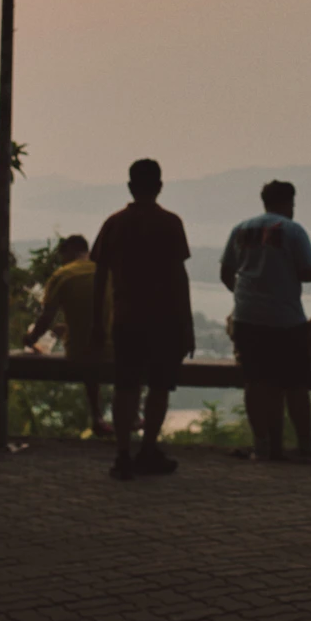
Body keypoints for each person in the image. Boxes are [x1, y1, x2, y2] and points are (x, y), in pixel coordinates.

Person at [92, 160, 194, 481]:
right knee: (159, 387)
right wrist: (187, 325)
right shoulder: (170, 224)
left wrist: (98, 322)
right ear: (159, 186)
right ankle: (148, 448)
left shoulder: (114, 224)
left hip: (126, 318)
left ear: (130, 186)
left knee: (126, 386)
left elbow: (100, 276)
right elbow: (179, 277)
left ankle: (123, 454)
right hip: (165, 319)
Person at [220, 180, 311, 461]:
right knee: (296, 384)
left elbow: (226, 272)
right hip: (285, 319)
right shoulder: (293, 230)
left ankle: (262, 444)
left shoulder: (240, 229)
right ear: (289, 203)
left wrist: (245, 296)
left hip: (247, 317)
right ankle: (305, 446)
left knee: (254, 382)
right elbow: (309, 272)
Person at [23, 235, 113, 437]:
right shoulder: (106, 271)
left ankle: (97, 415)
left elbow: (47, 317)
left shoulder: (62, 275)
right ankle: (129, 414)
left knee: (85, 349)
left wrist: (32, 338)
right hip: (115, 348)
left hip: (82, 352)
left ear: (68, 252)